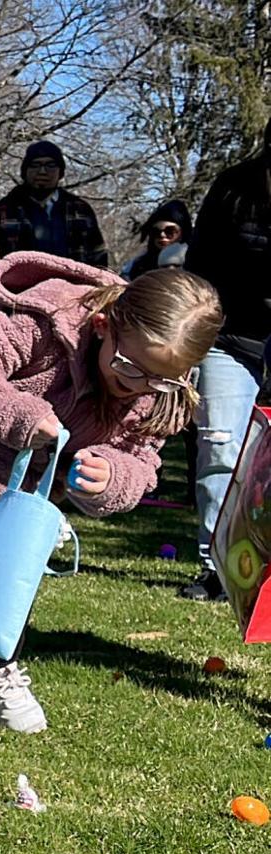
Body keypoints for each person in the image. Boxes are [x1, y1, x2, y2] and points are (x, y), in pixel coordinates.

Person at [0, 256, 220, 737]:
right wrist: (21, 414)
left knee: (23, 552)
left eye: (160, 379)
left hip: (29, 471)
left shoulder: (161, 386)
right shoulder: (46, 322)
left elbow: (142, 458)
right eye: (131, 369)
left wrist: (112, 476)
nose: (141, 388)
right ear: (102, 325)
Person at [180, 122, 271, 602]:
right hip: (229, 337)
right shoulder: (232, 191)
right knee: (220, 448)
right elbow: (199, 269)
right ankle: (219, 569)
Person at [0, 141, 110, 268]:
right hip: (15, 290)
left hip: (73, 289)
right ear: (25, 171)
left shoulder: (80, 211)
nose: (42, 171)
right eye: (35, 165)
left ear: (61, 172)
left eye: (50, 165)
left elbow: (99, 260)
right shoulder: (0, 212)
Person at [123, 199, 191, 280]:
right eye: (156, 231)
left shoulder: (197, 262)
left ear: (183, 232)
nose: (162, 235)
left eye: (170, 231)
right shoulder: (135, 267)